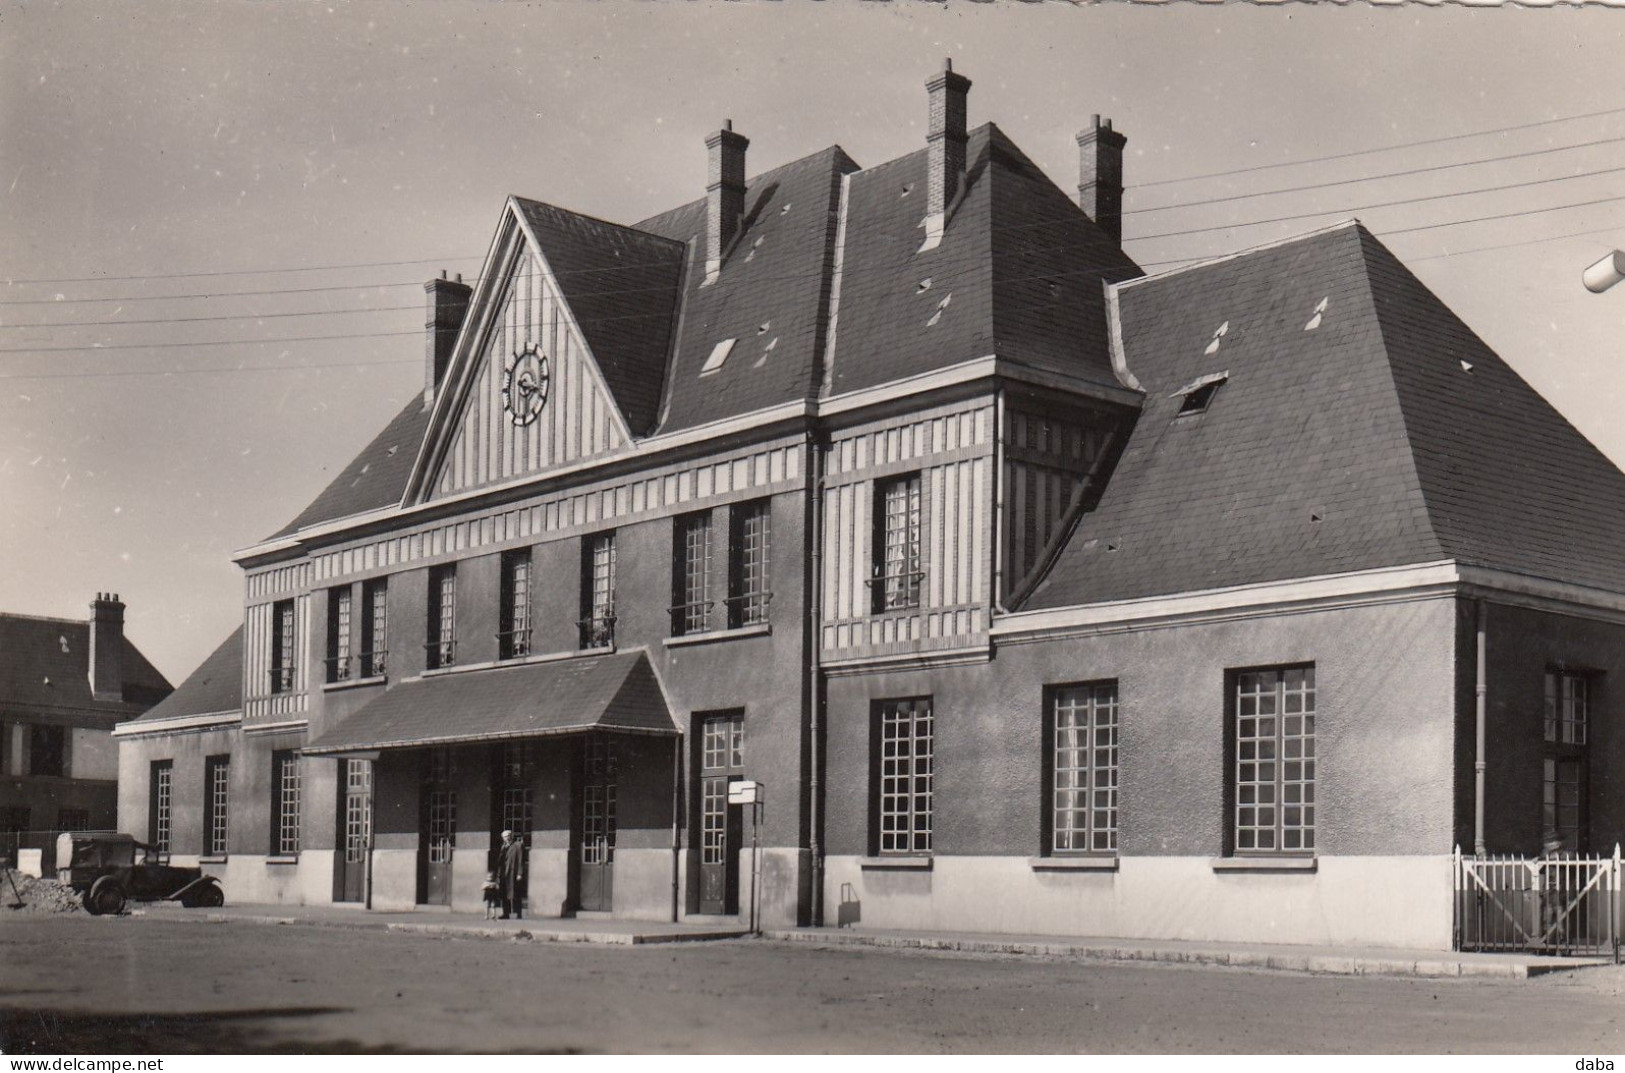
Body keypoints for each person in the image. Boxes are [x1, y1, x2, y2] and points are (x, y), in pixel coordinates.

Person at [1538, 829, 1572, 955]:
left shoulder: (1565, 855)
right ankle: (1546, 947)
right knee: (1546, 920)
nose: (1548, 845)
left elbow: (1568, 865)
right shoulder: (1545, 855)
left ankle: (1563, 947)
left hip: (1560, 892)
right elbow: (1541, 870)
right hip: (1548, 892)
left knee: (1561, 921)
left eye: (1551, 842)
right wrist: (1541, 859)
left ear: (1558, 843)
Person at [498, 829, 525, 920]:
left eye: (508, 836)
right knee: (504, 894)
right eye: (505, 837)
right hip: (504, 873)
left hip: (513, 873)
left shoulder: (517, 845)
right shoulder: (503, 847)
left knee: (516, 893)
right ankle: (506, 913)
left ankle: (518, 913)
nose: (507, 838)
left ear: (511, 836)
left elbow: (521, 860)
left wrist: (520, 873)